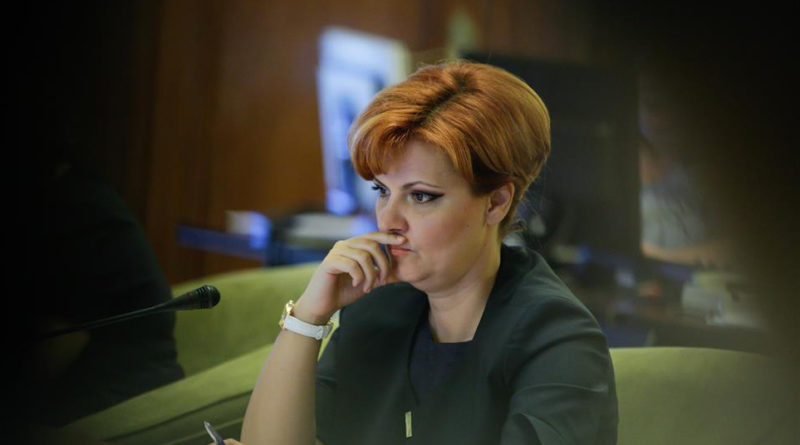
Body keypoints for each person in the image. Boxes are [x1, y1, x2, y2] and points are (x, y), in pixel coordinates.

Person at [232, 61, 618, 445]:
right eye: (382, 191)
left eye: (420, 196)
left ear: (496, 203)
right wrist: (308, 317)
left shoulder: (557, 337)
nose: (388, 220)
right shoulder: (378, 306)